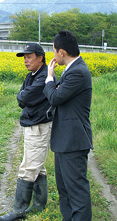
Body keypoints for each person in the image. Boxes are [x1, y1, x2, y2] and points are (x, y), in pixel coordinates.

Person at [0, 43, 53, 221]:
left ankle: (18, 211)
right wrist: (24, 96)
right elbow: (22, 98)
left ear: (40, 58)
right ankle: (39, 205)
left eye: (29, 57)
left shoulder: (44, 76)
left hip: (39, 126)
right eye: (24, 57)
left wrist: (24, 96)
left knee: (28, 167)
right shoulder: (32, 76)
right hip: (32, 124)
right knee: (38, 165)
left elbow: (25, 96)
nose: (25, 61)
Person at [43, 30, 93, 221]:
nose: (54, 56)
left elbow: (55, 97)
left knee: (77, 191)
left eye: (54, 51)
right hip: (65, 139)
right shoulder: (72, 70)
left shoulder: (78, 72)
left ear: (62, 52)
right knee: (64, 188)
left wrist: (49, 77)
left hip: (73, 141)